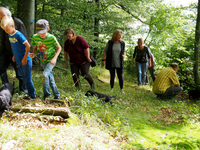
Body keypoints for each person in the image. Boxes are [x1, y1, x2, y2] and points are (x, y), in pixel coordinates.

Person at [1, 16, 36, 99]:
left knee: (27, 78)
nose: (6, 31)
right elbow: (14, 46)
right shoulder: (10, 35)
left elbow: (28, 45)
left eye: (7, 29)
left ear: (12, 26)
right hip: (18, 59)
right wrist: (14, 55)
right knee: (23, 77)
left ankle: (32, 95)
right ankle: (28, 93)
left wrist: (24, 58)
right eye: (4, 30)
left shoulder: (19, 35)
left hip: (25, 60)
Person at [30, 19, 61, 100]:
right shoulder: (35, 37)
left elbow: (59, 48)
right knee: (49, 77)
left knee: (44, 75)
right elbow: (35, 48)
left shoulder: (51, 38)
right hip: (43, 60)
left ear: (48, 29)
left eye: (43, 32)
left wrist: (54, 58)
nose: (41, 35)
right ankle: (57, 95)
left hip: (51, 59)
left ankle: (46, 95)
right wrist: (33, 53)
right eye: (40, 33)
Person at [0, 7, 27, 93]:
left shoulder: (18, 23)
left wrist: (21, 54)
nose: (0, 19)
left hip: (16, 52)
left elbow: (25, 40)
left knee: (20, 72)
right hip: (4, 51)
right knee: (1, 69)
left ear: (7, 15)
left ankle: (23, 89)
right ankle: (6, 87)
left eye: (1, 18)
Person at [102, 29, 125, 93]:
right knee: (112, 75)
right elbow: (105, 51)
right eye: (119, 35)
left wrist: (123, 55)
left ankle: (121, 89)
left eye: (121, 35)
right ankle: (112, 88)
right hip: (111, 61)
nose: (120, 37)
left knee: (120, 75)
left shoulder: (122, 43)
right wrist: (103, 60)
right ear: (115, 35)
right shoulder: (110, 43)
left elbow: (124, 51)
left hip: (119, 62)